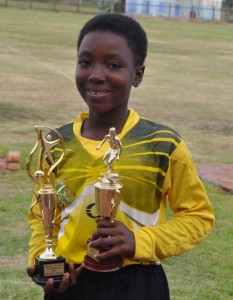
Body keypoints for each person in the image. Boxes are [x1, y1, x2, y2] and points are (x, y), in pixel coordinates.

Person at [27, 13, 215, 300]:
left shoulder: (163, 144)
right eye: (85, 62)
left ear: (137, 75)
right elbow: (41, 215)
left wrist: (139, 241)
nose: (96, 74)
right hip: (71, 281)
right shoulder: (55, 143)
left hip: (138, 283)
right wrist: (43, 260)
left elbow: (198, 216)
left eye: (113, 65)